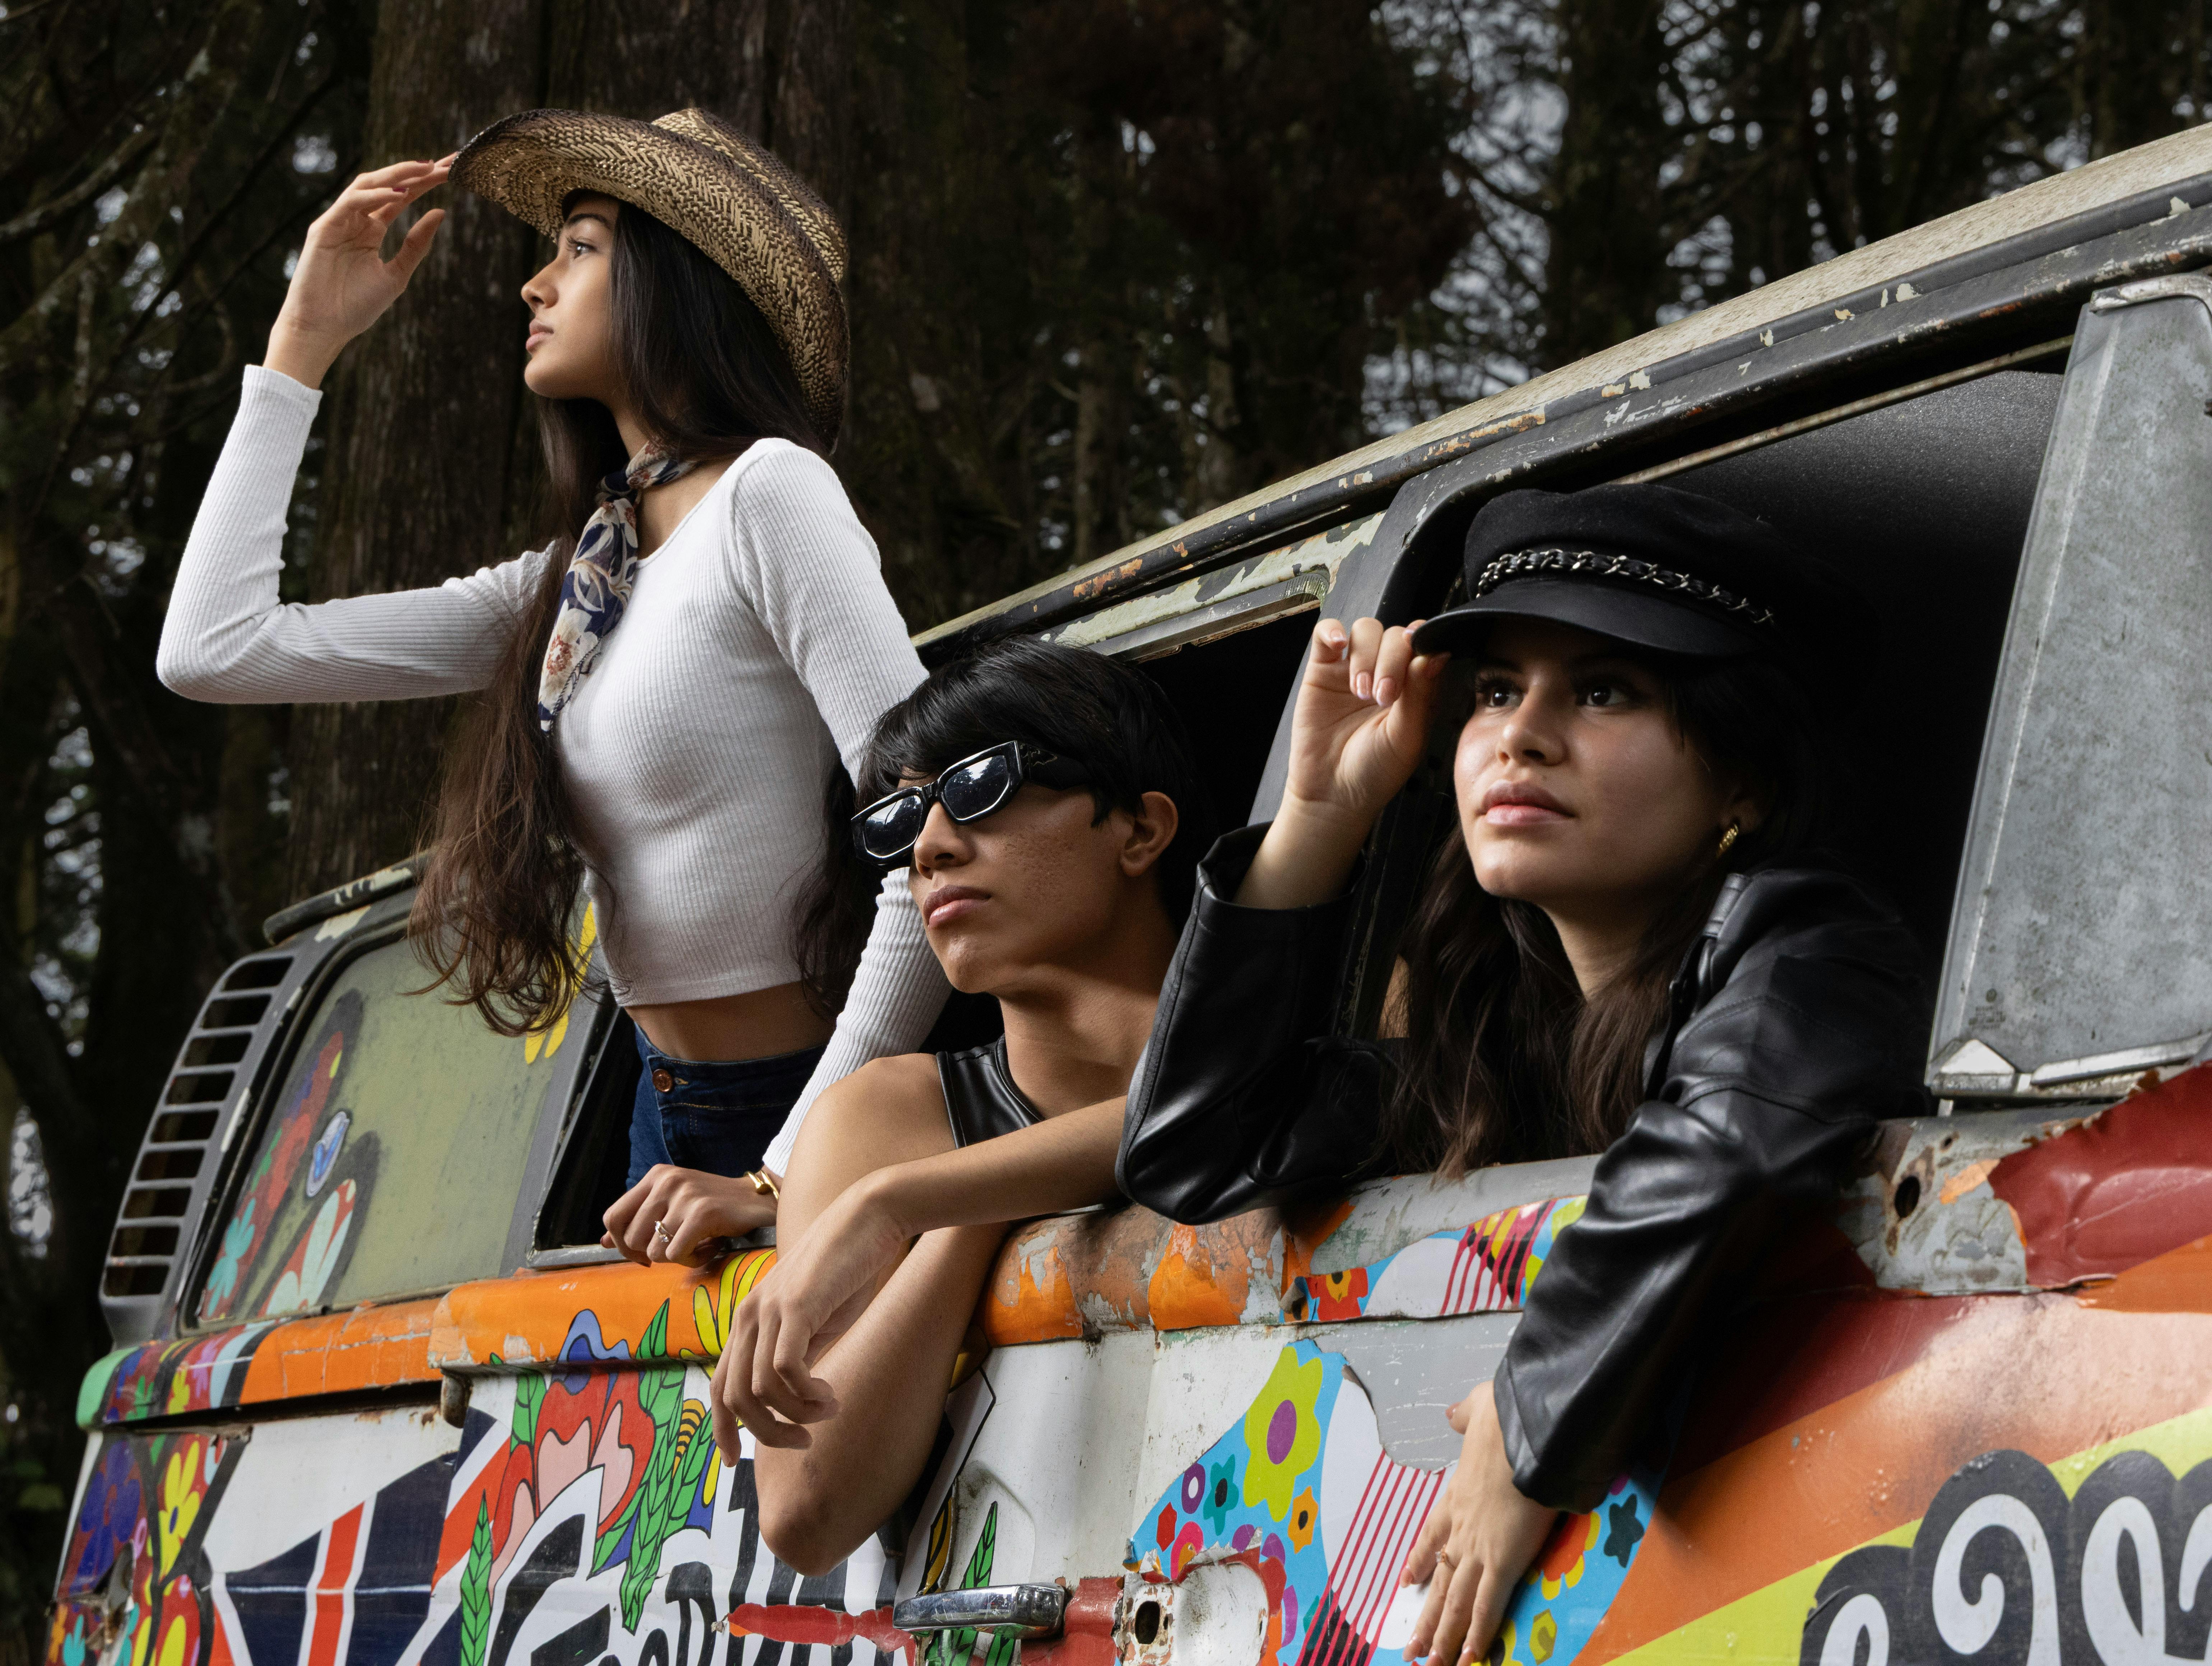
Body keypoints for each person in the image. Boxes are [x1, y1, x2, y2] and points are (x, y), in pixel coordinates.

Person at [1118, 484, 1929, 1666]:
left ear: (1741, 783)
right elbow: (1197, 1152)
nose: (1522, 733)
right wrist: (1320, 817)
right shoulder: (1489, 1041)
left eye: (1603, 690)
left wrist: (1525, 1414)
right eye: (1497, 691)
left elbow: (1731, 1137)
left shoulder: (1813, 946)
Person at [157, 109, 947, 1250]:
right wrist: (300, 347)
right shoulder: (581, 581)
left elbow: (930, 838)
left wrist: (785, 1172)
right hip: (659, 1117)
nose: (535, 283)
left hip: (804, 1116)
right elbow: (215, 651)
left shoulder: (771, 497)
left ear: (682, 280)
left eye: (580, 247)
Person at [705, 636, 1217, 1575]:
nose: (931, 849)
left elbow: (1232, 1099)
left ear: (1140, 830)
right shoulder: (889, 1119)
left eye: (982, 784)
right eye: (902, 821)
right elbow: (807, 1510)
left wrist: (900, 1204)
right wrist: (967, 1213)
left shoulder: (1305, 1012)